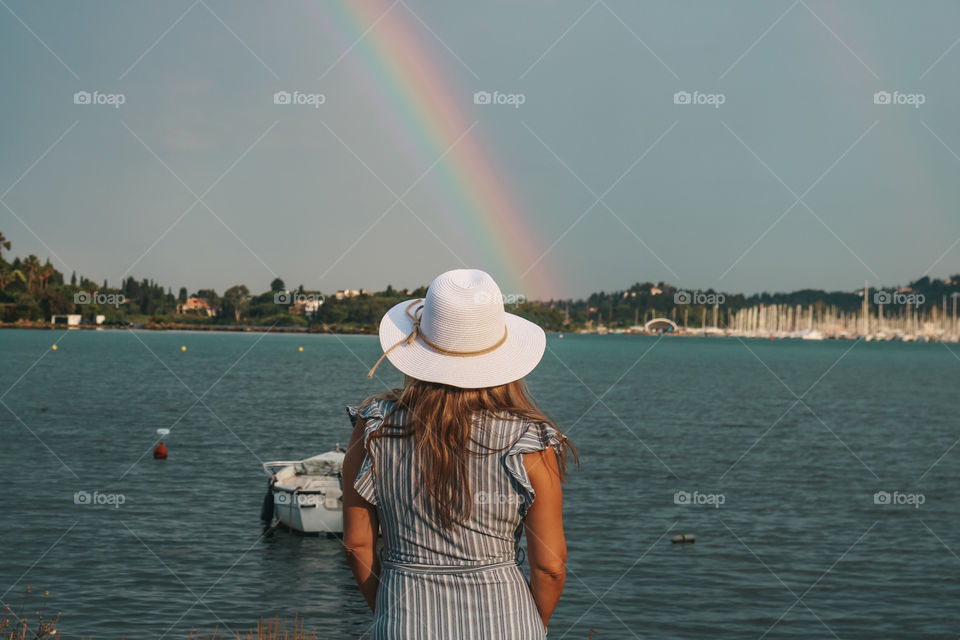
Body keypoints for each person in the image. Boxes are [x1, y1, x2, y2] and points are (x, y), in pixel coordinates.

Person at [342, 268, 576, 639]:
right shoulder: (530, 440)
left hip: (404, 623)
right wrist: (530, 626)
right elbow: (550, 567)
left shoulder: (373, 426)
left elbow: (357, 544)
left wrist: (389, 614)